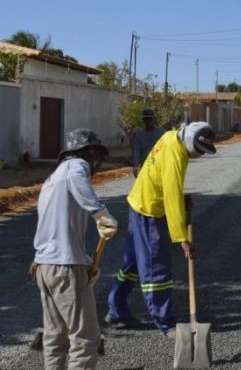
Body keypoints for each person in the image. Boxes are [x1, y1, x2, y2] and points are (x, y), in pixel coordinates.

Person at [105, 122, 216, 337]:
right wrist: (182, 239)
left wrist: (182, 200)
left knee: (133, 263)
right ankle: (166, 323)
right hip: (149, 211)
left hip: (139, 202)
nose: (198, 155)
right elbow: (172, 197)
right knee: (156, 266)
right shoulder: (176, 155)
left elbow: (163, 180)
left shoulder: (170, 137)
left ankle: (116, 310)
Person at [31, 129, 118, 369]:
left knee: (55, 337)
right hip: (65, 266)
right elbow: (81, 185)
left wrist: (85, 260)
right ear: (86, 153)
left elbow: (59, 229)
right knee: (85, 338)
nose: (95, 162)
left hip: (44, 265)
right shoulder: (76, 167)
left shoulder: (53, 178)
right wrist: (100, 213)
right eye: (94, 155)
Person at [132, 108, 165, 177]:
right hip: (145, 168)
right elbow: (137, 151)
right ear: (143, 120)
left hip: (160, 167)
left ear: (153, 120)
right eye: (146, 119)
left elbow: (166, 149)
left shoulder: (161, 133)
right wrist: (136, 165)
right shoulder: (139, 135)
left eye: (150, 119)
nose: (148, 122)